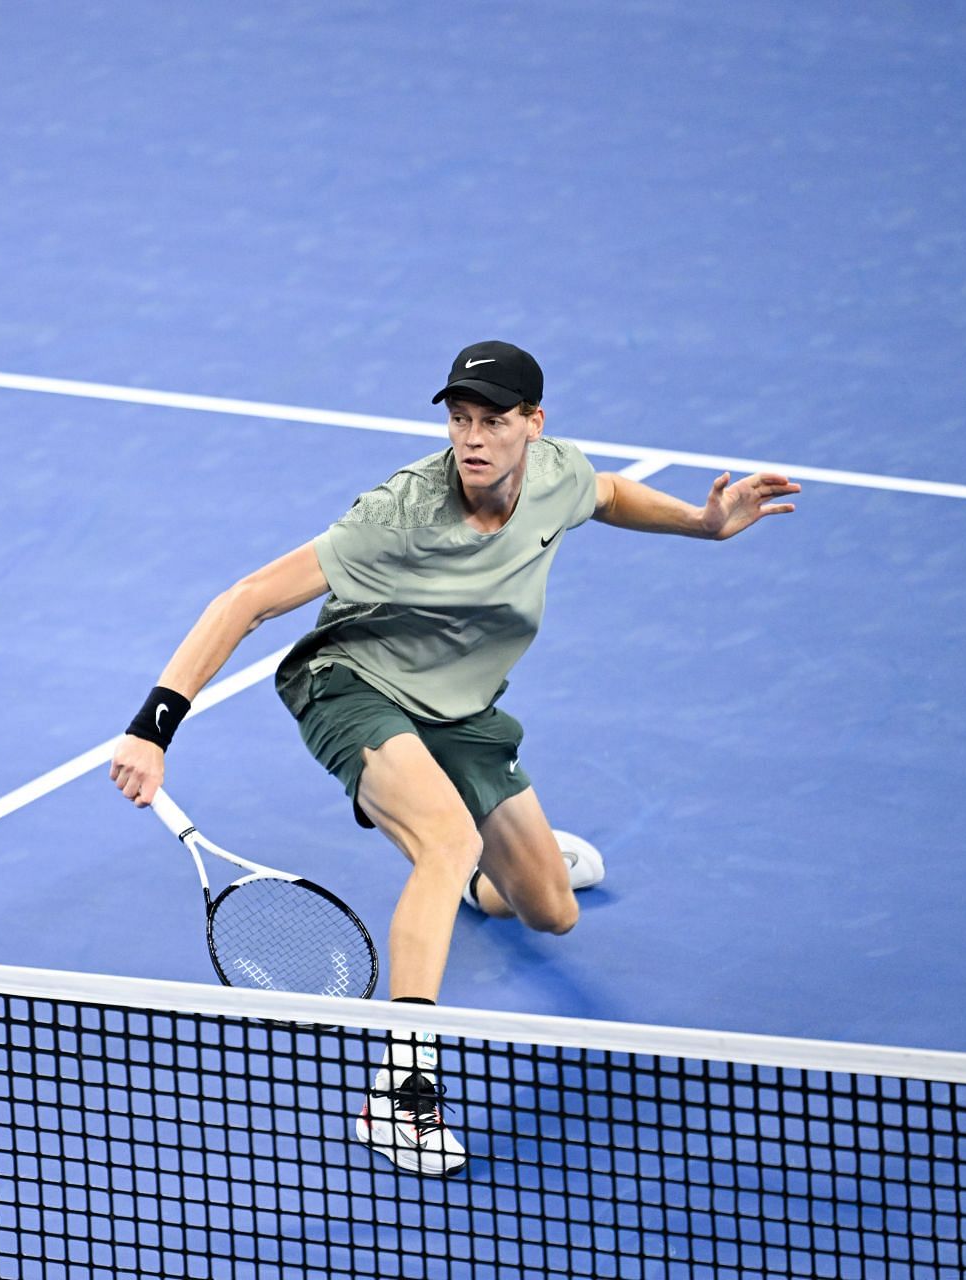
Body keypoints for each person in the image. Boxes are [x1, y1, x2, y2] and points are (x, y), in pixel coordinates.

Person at [108, 340, 800, 1176]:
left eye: (493, 422)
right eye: (459, 420)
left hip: (464, 708)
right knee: (443, 838)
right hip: (354, 685)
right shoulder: (399, 516)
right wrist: (154, 726)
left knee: (550, 912)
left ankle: (483, 883)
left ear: (532, 427)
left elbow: (608, 493)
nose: (472, 439)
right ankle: (400, 1094)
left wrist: (700, 522)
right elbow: (248, 599)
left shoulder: (555, 475)